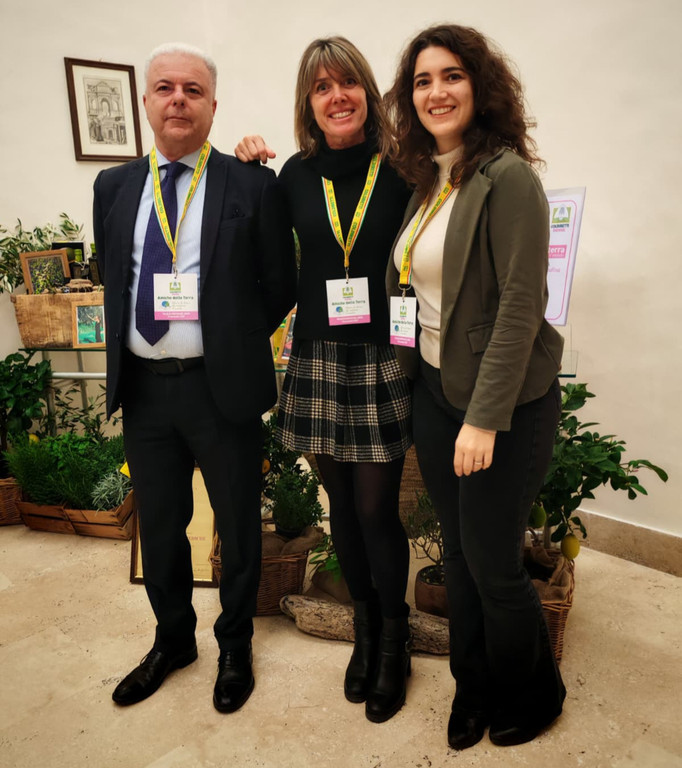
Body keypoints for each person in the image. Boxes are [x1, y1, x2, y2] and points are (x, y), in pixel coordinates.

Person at [92, 43, 296, 713]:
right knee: (161, 526)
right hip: (146, 391)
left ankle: (234, 644)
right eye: (165, 88)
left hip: (221, 388)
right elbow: (113, 278)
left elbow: (280, 283)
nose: (178, 99)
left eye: (192, 89)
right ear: (146, 102)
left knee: (237, 526)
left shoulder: (252, 185)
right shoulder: (113, 187)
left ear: (212, 105)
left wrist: (233, 337)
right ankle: (174, 640)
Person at [385, 25, 566, 748]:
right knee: (457, 554)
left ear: (479, 86)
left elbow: (521, 305)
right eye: (423, 80)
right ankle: (474, 685)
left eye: (452, 75)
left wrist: (484, 419)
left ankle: (536, 692)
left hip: (504, 403)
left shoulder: (507, 177)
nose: (437, 92)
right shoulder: (431, 180)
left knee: (494, 564)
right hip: (435, 389)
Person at [235, 37, 413, 723]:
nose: (337, 96)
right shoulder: (294, 175)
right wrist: (247, 166)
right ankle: (364, 631)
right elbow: (268, 256)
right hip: (315, 355)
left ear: (366, 90)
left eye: (347, 82)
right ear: (308, 103)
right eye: (321, 87)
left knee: (375, 510)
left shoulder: (402, 166)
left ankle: (393, 640)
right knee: (340, 504)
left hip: (380, 356)